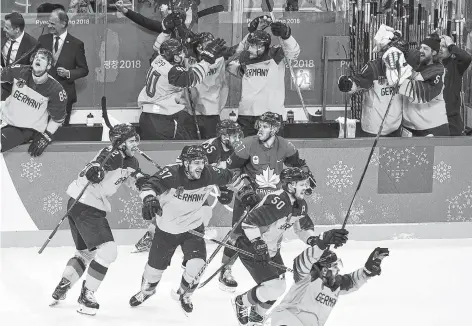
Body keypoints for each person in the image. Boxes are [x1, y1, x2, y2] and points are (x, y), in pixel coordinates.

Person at [231, 167, 348, 326]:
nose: (306, 187)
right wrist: (258, 243)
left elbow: (303, 229)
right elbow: (249, 223)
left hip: (271, 248)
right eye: (302, 184)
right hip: (249, 245)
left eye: (306, 183)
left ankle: (256, 315)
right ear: (290, 186)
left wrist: (315, 241)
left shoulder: (300, 205)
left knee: (280, 285)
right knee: (275, 287)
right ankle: (241, 302)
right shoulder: (278, 202)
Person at [50, 124, 146, 315]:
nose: (136, 143)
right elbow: (97, 164)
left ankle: (64, 283)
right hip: (87, 205)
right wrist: (95, 170)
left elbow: (134, 179)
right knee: (109, 252)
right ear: (120, 142)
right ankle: (86, 296)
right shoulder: (113, 153)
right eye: (132, 140)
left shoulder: (130, 161)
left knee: (85, 254)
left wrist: (146, 182)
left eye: (137, 139)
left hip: (77, 203)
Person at [128, 145, 236, 314]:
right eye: (195, 163)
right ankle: (146, 292)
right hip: (166, 230)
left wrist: (231, 190)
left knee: (197, 265)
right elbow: (149, 186)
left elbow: (232, 177)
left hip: (192, 229)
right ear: (185, 163)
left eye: (202, 162)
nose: (200, 166)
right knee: (153, 272)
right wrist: (149, 199)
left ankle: (184, 294)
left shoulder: (209, 173)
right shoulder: (170, 173)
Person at [219, 112, 316, 292]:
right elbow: (231, 169)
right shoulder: (247, 144)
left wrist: (306, 175)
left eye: (265, 126)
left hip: (272, 200)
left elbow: (299, 165)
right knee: (237, 235)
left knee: (270, 235)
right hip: (248, 197)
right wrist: (244, 188)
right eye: (260, 125)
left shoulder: (286, 146)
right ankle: (226, 269)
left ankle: (270, 272)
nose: (260, 129)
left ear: (275, 129)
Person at [133, 119, 243, 253]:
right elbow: (183, 164)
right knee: (173, 211)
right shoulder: (211, 149)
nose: (238, 139)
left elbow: (217, 174)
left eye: (238, 135)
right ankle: (152, 237)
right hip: (186, 184)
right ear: (224, 136)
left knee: (205, 213)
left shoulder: (233, 149)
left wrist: (223, 188)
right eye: (234, 136)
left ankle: (184, 237)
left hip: (201, 185)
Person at [268, 245, 389, 326]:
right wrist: (322, 243)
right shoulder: (307, 279)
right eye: (335, 267)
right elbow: (300, 262)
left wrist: (367, 271)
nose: (338, 270)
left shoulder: (335, 285)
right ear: (325, 270)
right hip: (283, 322)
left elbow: (352, 281)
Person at [138, 35, 227, 140]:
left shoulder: (157, 59)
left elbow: (158, 49)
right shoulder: (172, 72)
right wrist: (207, 60)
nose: (184, 54)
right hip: (162, 118)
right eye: (181, 52)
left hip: (146, 116)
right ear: (175, 57)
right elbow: (192, 79)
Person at [227, 16, 300, 136]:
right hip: (246, 115)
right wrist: (252, 33)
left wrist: (286, 35)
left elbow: (294, 52)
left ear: (263, 46)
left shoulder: (276, 55)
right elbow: (229, 63)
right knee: (246, 151)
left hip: (271, 114)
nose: (249, 48)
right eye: (248, 45)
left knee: (272, 152)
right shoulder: (244, 58)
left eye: (253, 45)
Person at [337, 29, 406, 137]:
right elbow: (357, 83)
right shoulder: (373, 68)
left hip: (395, 127)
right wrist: (348, 84)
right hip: (374, 129)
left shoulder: (405, 67)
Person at [0, 49, 67, 155]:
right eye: (36, 57)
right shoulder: (20, 71)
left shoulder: (56, 89)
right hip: (5, 120)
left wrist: (46, 136)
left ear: (48, 66)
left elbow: (58, 119)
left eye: (43, 58)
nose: (38, 58)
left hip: (26, 129)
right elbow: (2, 75)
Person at [38, 8, 89, 125]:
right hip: (42, 96)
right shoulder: (42, 40)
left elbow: (84, 69)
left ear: (63, 24)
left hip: (64, 96)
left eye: (52, 23)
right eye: (48, 22)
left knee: (59, 134)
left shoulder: (76, 44)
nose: (49, 25)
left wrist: (69, 73)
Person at [394, 34, 450, 136]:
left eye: (425, 49)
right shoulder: (418, 63)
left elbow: (419, 94)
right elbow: (408, 53)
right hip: (409, 128)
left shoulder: (438, 70)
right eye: (420, 47)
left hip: (432, 129)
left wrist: (396, 75)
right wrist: (396, 43)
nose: (421, 51)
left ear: (434, 52)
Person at [438, 35, 471, 136]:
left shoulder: (455, 65)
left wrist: (451, 45)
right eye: (438, 46)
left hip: (452, 119)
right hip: (434, 118)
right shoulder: (429, 65)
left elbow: (467, 57)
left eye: (444, 46)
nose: (440, 49)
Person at [1, 12, 38, 100]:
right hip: (3, 87)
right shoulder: (1, 34)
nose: (3, 30)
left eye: (7, 28)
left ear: (17, 30)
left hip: (22, 89)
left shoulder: (32, 44)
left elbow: (34, 69)